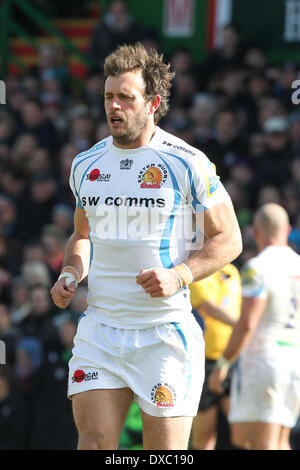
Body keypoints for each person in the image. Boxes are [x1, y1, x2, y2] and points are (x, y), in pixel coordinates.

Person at [50, 43, 242, 451]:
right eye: (108, 97)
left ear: (152, 103)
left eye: (125, 97)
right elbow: (81, 235)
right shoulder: (87, 164)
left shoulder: (188, 162)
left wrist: (179, 275)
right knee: (94, 444)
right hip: (100, 330)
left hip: (163, 335)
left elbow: (230, 238)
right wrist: (70, 271)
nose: (113, 107)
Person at [209, 203, 300, 450]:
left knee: (261, 443)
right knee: (279, 441)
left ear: (256, 232)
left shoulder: (257, 268)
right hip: (294, 360)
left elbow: (248, 323)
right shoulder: (297, 264)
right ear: (288, 230)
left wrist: (224, 363)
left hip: (264, 362)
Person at [189, 264, 241, 450]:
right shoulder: (195, 268)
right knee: (205, 437)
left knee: (245, 434)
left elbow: (238, 307)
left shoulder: (232, 271)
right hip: (203, 362)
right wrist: (245, 326)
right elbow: (207, 307)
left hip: (232, 359)